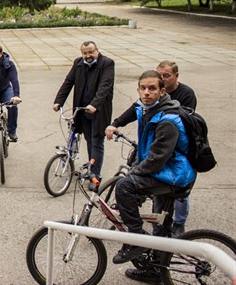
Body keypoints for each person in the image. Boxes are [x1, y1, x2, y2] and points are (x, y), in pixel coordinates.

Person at [104, 71, 196, 282]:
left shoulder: (168, 120)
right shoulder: (148, 109)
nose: (146, 92)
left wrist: (134, 172)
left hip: (173, 175)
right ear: (138, 90)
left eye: (152, 88)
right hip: (167, 172)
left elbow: (156, 160)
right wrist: (115, 124)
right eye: (143, 88)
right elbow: (147, 148)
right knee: (161, 223)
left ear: (162, 91)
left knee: (125, 186)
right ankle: (155, 270)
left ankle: (136, 240)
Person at [53, 41, 115, 190]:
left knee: (97, 141)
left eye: (90, 52)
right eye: (84, 53)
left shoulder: (107, 63)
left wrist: (95, 104)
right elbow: (68, 82)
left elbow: (105, 86)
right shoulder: (78, 63)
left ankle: (96, 176)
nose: (87, 56)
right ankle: (91, 169)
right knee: (89, 140)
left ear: (97, 51)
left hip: (98, 110)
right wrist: (58, 101)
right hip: (81, 110)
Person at [157, 60, 197, 236]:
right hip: (161, 144)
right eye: (160, 75)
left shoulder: (187, 94)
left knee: (181, 189)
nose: (163, 79)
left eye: (166, 75)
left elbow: (185, 122)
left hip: (181, 149)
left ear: (176, 76)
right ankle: (159, 225)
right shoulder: (156, 89)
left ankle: (179, 223)